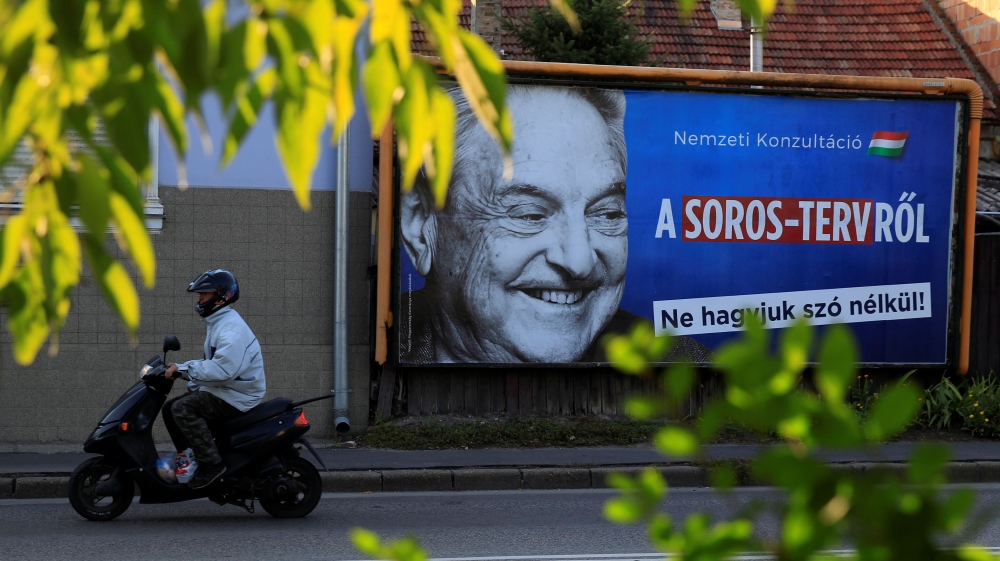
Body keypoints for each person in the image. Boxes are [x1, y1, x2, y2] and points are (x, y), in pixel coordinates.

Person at [398, 85, 711, 364]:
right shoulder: (381, 344)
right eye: (530, 214)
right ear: (421, 226)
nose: (579, 262)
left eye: (606, 213)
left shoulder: (683, 367)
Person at [161, 269, 266, 489]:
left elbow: (222, 370)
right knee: (171, 407)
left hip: (238, 394)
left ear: (221, 296)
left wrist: (183, 369)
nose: (200, 298)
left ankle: (211, 465)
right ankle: (190, 458)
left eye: (205, 294)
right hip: (228, 388)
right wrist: (187, 374)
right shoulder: (219, 323)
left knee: (182, 409)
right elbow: (216, 365)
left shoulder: (231, 330)